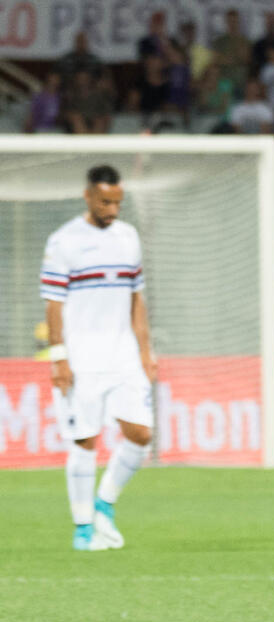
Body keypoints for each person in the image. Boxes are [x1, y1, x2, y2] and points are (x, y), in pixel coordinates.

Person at [40, 165, 156, 552]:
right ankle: (83, 528)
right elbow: (53, 306)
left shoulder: (128, 237)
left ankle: (104, 504)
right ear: (88, 196)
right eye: (105, 201)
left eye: (118, 203)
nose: (112, 209)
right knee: (85, 440)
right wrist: (59, 358)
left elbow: (136, 298)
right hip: (82, 357)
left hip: (123, 354)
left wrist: (145, 352)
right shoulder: (64, 241)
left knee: (141, 435)